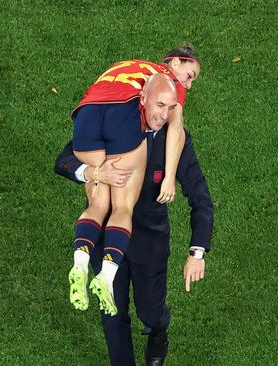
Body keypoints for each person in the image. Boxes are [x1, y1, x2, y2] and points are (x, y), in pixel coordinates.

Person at [55, 120, 213, 365]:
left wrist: (197, 252)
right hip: (107, 238)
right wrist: (94, 172)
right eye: (159, 105)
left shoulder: (174, 139)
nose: (163, 114)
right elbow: (64, 161)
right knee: (112, 314)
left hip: (149, 243)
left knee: (151, 311)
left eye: (169, 107)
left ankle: (158, 331)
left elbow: (200, 197)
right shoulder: (109, 126)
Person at [69, 45, 201, 315]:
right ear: (175, 62)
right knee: (122, 207)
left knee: (99, 199)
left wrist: (94, 172)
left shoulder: (131, 65)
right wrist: (169, 178)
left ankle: (79, 263)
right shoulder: (167, 83)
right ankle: (105, 278)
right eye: (190, 75)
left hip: (85, 113)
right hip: (122, 115)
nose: (188, 84)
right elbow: (176, 129)